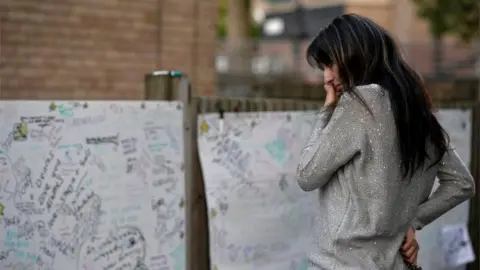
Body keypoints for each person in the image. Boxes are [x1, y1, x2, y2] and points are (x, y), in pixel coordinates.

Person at [296, 13, 475, 270]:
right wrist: (412, 222)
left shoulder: (359, 104)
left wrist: (327, 110)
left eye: (329, 64)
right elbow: (462, 183)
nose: (326, 79)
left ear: (354, 56)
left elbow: (306, 175)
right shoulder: (416, 111)